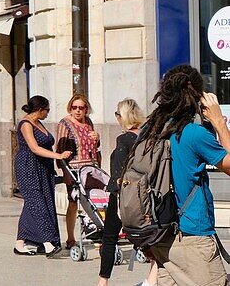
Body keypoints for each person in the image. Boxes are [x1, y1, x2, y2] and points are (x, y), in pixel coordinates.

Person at [143, 65, 230, 286]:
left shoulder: (153, 130)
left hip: (160, 235)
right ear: (197, 96)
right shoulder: (192, 133)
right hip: (193, 236)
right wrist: (219, 122)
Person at [98, 98, 157, 286]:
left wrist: (116, 201)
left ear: (121, 116)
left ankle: (103, 281)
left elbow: (119, 175)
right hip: (147, 195)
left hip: (124, 196)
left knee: (109, 238)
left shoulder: (124, 139)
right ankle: (152, 278)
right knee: (151, 237)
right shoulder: (149, 138)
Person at [13, 96, 71, 257]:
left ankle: (20, 244)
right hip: (28, 167)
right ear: (40, 110)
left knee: (34, 203)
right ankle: (48, 244)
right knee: (38, 203)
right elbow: (34, 148)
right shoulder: (25, 124)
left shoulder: (38, 122)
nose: (48, 113)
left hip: (42, 167)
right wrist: (58, 156)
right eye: (47, 110)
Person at [55, 92, 101, 248]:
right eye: (74, 107)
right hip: (73, 169)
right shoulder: (65, 124)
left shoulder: (88, 122)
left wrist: (97, 138)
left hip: (90, 168)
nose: (77, 111)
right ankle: (70, 238)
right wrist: (65, 171)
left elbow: (95, 146)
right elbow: (60, 151)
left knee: (93, 201)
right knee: (73, 202)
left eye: (81, 108)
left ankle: (96, 231)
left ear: (86, 109)